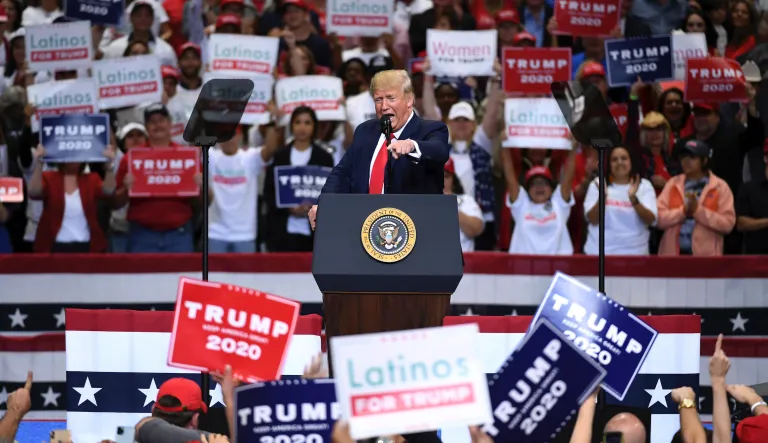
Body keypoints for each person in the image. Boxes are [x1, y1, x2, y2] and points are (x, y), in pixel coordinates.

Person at [309, 69, 449, 229]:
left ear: (409, 100)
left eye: (391, 98)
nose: (384, 106)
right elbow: (342, 173)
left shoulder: (431, 130)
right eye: (378, 100)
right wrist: (325, 205)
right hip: (366, 231)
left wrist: (412, 145)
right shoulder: (365, 131)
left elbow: (439, 151)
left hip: (416, 231)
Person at [656, 140, 735, 256]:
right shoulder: (672, 184)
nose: (686, 161)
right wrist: (682, 212)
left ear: (704, 160)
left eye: (692, 157)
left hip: (706, 259)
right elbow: (658, 219)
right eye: (683, 157)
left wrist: (698, 211)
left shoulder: (720, 187)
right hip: (672, 257)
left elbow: (727, 224)